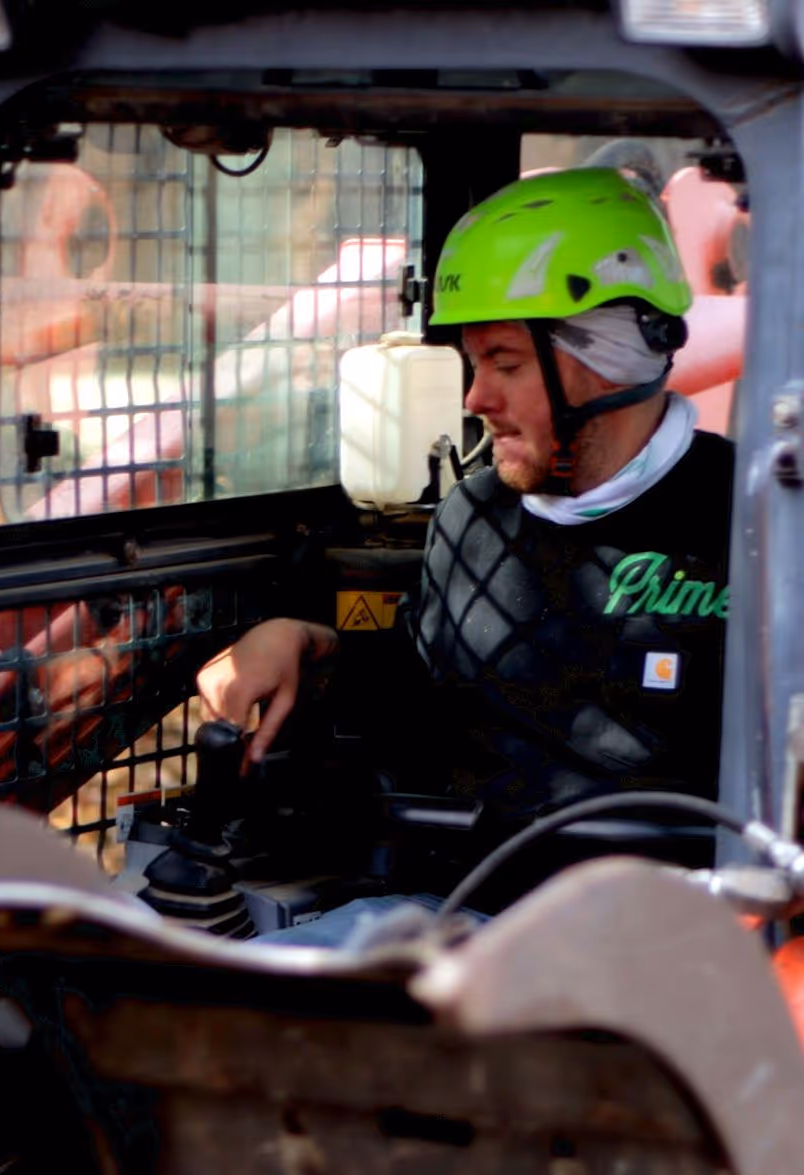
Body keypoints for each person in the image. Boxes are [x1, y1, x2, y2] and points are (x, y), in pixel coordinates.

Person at [198, 167, 733, 908]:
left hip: (669, 950)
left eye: (505, 364)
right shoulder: (475, 516)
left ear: (606, 359)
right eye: (474, 364)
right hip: (456, 920)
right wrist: (310, 648)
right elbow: (424, 702)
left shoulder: (755, 522)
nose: (476, 399)